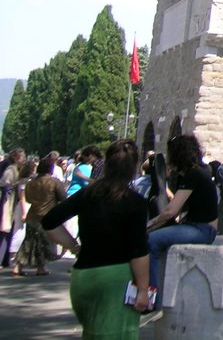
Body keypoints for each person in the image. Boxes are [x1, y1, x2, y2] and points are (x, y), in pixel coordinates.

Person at [42, 139, 151, 336]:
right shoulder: (136, 202)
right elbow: (138, 250)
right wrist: (143, 289)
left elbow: (49, 221)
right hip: (115, 278)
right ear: (133, 167)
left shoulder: (87, 194)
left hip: (83, 276)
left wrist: (74, 246)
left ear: (107, 164)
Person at [146, 134, 218, 307]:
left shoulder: (193, 174)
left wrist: (149, 224)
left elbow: (171, 211)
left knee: (150, 241)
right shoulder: (197, 172)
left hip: (201, 229)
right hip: (199, 226)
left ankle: (151, 297)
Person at [13, 155, 65, 276]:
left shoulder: (31, 183)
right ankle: (40, 268)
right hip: (47, 215)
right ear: (50, 169)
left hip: (33, 214)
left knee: (29, 241)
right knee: (43, 242)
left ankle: (18, 266)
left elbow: (29, 198)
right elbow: (63, 197)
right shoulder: (54, 182)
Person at [0, 147, 26, 268]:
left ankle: (4, 259)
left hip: (10, 202)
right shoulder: (11, 169)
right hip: (6, 203)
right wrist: (18, 183)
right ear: (16, 157)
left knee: (7, 231)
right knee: (4, 230)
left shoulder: (15, 169)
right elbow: (4, 184)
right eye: (22, 157)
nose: (24, 159)